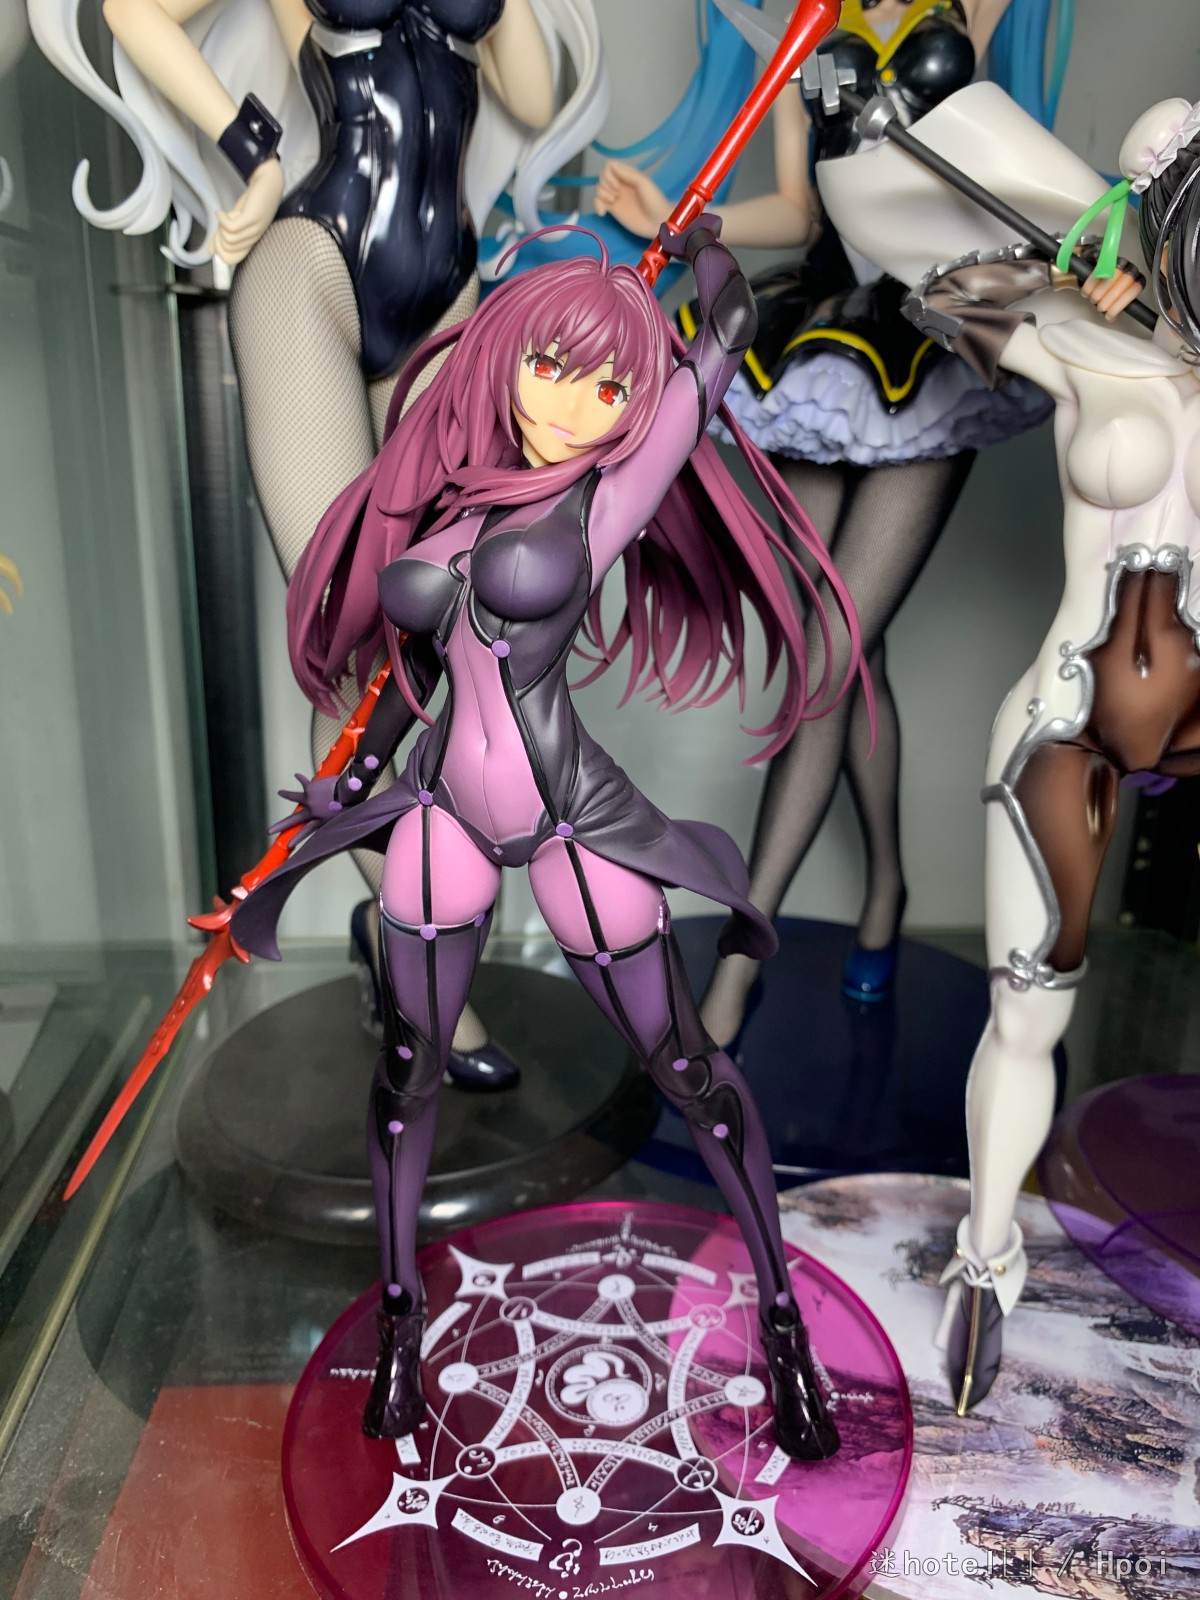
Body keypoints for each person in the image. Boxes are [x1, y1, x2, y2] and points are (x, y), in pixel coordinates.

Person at [228, 217, 867, 1454]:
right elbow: (406, 682)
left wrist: (704, 250)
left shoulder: (606, 497)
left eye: (607, 387)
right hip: (441, 813)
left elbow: (725, 339)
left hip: (571, 812)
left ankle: (782, 1320)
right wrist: (343, 790)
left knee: (686, 1067)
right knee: (406, 1069)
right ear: (506, 354)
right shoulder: (444, 493)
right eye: (553, 366)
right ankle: (402, 1321)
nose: (572, 405)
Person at [30, 0, 609, 1084]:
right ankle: (416, 952)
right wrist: (251, 153)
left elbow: (533, 100)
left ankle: (400, 930)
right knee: (353, 636)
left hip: (450, 297)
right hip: (315, 267)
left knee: (463, 637)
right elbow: (129, 7)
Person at [593, 0, 1074, 1029]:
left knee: (826, 659)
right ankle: (887, 887)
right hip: (819, 338)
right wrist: (676, 219)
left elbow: (996, 163)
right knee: (849, 651)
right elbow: (799, 212)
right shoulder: (812, 21)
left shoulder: (972, 5)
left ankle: (741, 959)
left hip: (935, 334)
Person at [896, 95, 1196, 1411]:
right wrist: (1085, 261)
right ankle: (987, 1256)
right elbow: (929, 277)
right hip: (1070, 712)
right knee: (1026, 1008)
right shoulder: (1088, 346)